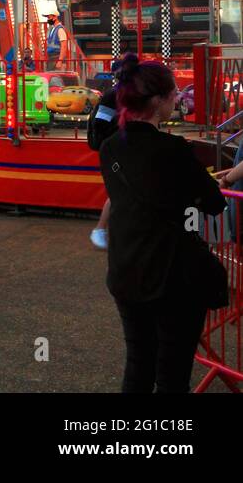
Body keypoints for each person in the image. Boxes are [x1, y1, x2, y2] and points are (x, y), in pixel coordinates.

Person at [99, 54, 226, 393]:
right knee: (172, 374)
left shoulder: (110, 148)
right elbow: (213, 203)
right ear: (158, 102)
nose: (175, 102)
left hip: (127, 269)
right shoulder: (173, 148)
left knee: (138, 366)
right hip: (173, 276)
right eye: (172, 96)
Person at [86, 80, 119, 249]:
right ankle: (100, 229)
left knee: (119, 191)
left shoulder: (121, 94)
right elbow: (101, 123)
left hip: (116, 148)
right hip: (113, 150)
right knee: (118, 191)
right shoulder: (113, 95)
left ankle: (103, 229)